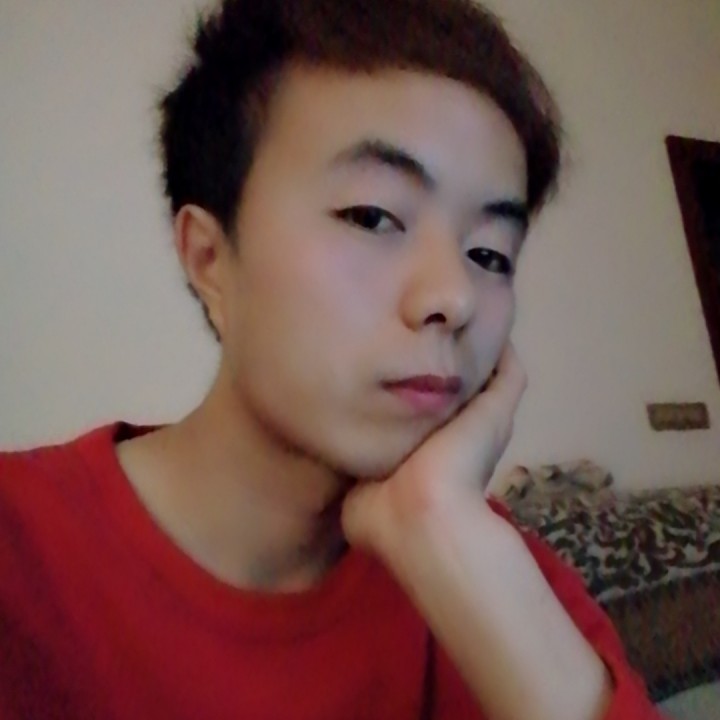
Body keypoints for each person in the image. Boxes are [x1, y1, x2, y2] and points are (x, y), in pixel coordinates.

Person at [0, 0, 663, 718]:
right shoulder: (24, 554)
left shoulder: (494, 568)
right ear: (210, 259)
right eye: (373, 217)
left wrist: (441, 524)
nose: (454, 296)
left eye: (490, 254)